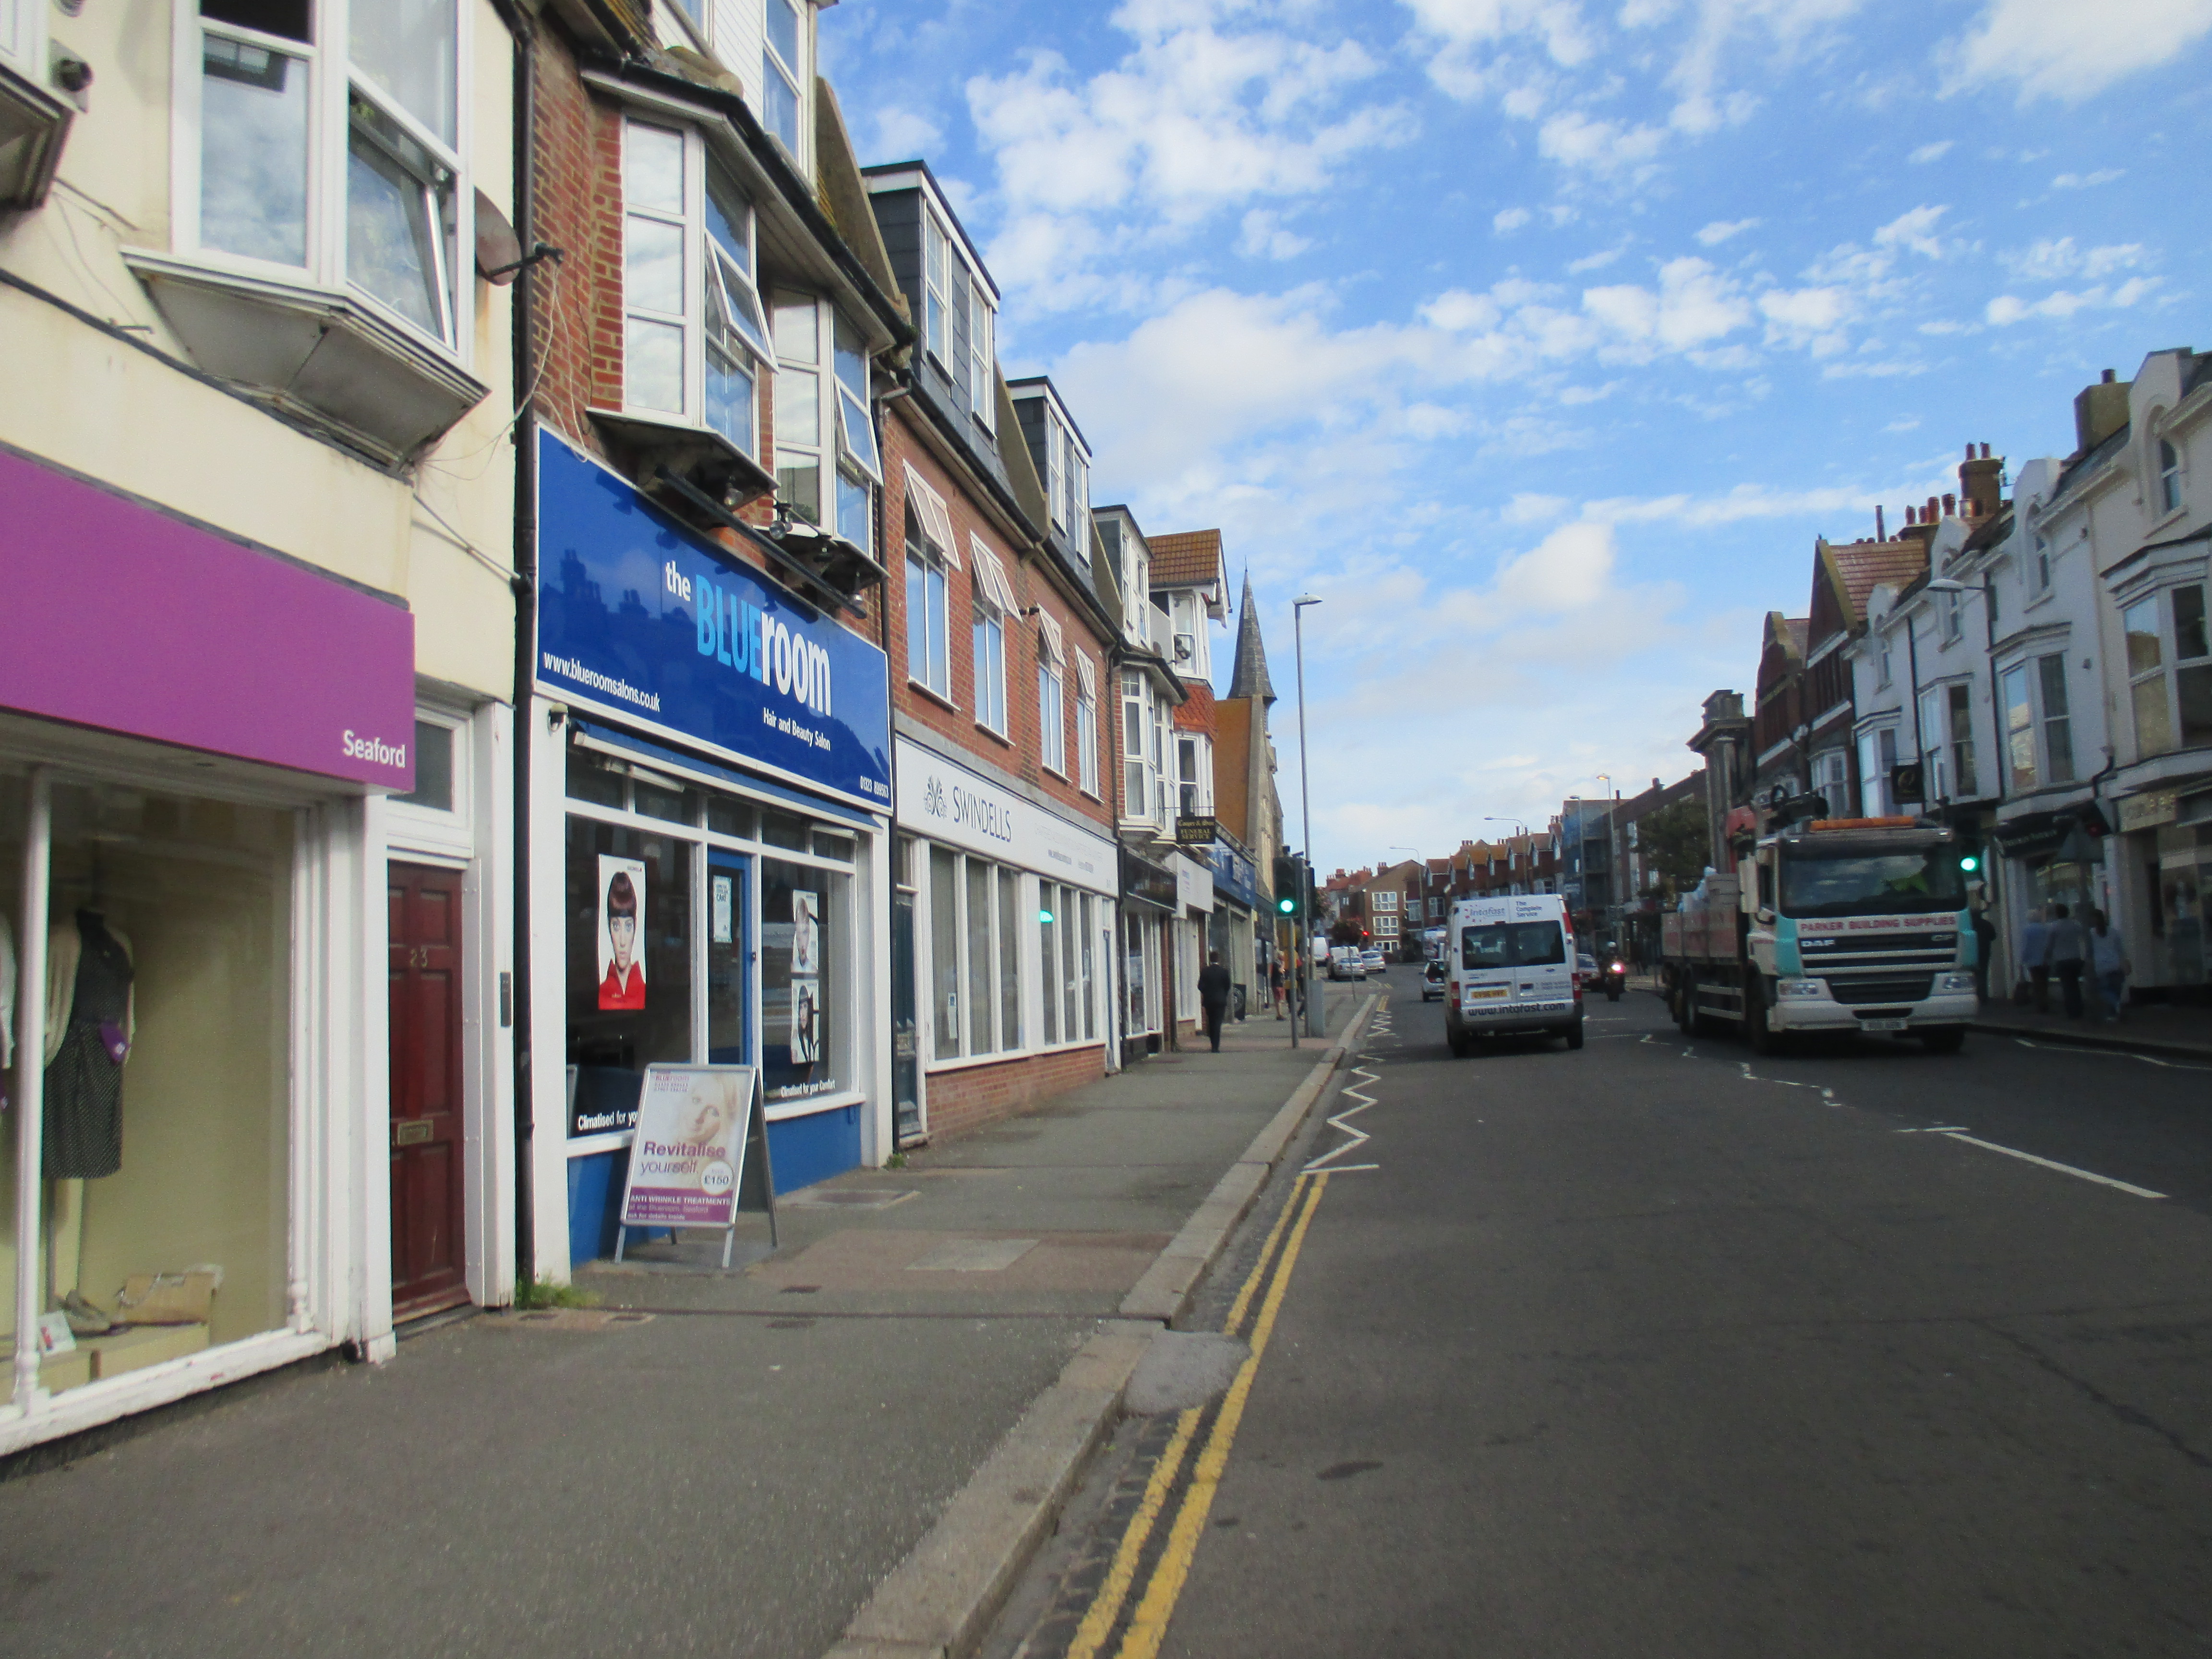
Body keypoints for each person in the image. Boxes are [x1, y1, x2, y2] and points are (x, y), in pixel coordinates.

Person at [600, 870, 647, 1010]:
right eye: (616, 926)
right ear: (609, 928)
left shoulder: (646, 992)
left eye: (628, 926)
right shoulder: (601, 993)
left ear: (635, 928)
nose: (622, 942)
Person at [2045, 901, 2088, 1019]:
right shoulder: (2075, 924)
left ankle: (2072, 1011)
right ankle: (2079, 1008)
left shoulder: (2054, 927)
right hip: (2076, 958)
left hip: (2062, 960)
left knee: (2068, 986)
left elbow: (2049, 945)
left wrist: (2047, 957)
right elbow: (2084, 937)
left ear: (2057, 914)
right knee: (2075, 985)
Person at [2088, 908, 2129, 1022]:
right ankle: (2114, 1013)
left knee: (2103, 990)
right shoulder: (2114, 932)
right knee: (2115, 990)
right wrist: (2125, 963)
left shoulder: (2091, 934)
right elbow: (2121, 950)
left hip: (2101, 967)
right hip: (2115, 965)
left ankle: (2115, 1007)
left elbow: (2089, 952)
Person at [1198, 950, 1232, 1052]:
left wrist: (1206, 993)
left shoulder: (1205, 972)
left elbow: (1200, 986)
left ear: (1210, 959)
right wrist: (1223, 994)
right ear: (1218, 959)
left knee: (1211, 1022)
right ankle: (1216, 1046)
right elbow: (1228, 985)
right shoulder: (1224, 972)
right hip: (1221, 1001)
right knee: (1218, 1022)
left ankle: (1213, 1043)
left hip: (1209, 1001)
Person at [2019, 906, 2050, 1013]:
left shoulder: (2027, 930)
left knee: (2037, 983)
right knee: (2044, 983)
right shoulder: (2045, 928)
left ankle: (2040, 1005)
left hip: (2033, 961)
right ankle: (2045, 1003)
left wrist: (2022, 960)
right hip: (2045, 960)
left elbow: (2026, 947)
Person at [1970, 901, 1996, 1004]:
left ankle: (1974, 996)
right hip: (1985, 951)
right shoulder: (1986, 924)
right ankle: (1983, 996)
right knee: (1983, 974)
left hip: (1971, 952)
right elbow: (1993, 937)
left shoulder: (1969, 925)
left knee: (1972, 975)